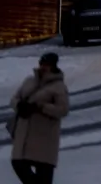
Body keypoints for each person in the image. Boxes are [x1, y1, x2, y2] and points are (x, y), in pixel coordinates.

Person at [10, 52, 69, 184]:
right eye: (42, 64)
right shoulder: (29, 81)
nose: (43, 67)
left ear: (53, 67)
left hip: (45, 140)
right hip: (24, 137)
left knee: (44, 176)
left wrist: (41, 107)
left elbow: (63, 110)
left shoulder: (59, 87)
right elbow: (14, 98)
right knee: (18, 164)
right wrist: (19, 105)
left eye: (47, 65)